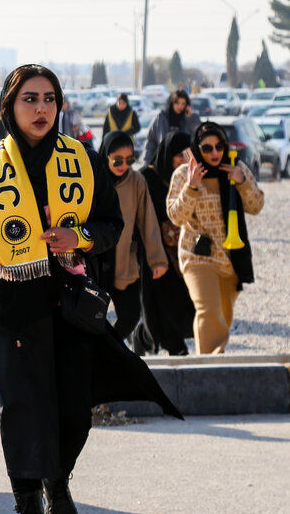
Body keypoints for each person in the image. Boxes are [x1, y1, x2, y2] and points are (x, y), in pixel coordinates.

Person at [0, 64, 181, 514]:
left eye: (49, 98)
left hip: (69, 306)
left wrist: (79, 238)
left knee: (72, 411)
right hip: (10, 309)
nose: (41, 108)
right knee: (23, 413)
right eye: (29, 99)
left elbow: (111, 223)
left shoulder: (81, 159)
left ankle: (57, 481)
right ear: (7, 108)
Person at [166, 122, 263, 354]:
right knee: (208, 310)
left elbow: (256, 205)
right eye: (207, 148)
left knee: (223, 318)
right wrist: (192, 187)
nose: (215, 153)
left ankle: (214, 363)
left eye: (219, 146)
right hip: (196, 254)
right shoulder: (185, 173)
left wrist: (242, 182)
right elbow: (176, 216)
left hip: (230, 257)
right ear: (198, 148)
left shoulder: (235, 168)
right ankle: (207, 365)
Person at [96, 131, 168, 343]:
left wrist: (157, 260)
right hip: (96, 261)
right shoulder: (93, 179)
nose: (124, 165)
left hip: (124, 261)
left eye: (130, 160)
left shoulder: (137, 181)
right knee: (92, 317)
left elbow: (148, 221)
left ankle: (110, 350)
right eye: (118, 160)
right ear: (106, 155)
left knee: (130, 315)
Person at [131, 132, 193, 356]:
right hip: (151, 251)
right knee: (159, 301)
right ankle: (175, 346)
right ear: (167, 154)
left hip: (180, 250)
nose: (184, 161)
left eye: (188, 155)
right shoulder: (146, 177)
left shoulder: (189, 178)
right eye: (179, 155)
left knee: (181, 300)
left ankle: (143, 337)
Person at [144, 90, 200, 165]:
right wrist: (148, 163)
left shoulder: (188, 119)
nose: (180, 106)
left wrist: (191, 118)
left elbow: (197, 136)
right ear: (172, 103)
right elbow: (151, 141)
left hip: (183, 163)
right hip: (163, 162)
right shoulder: (161, 118)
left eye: (183, 104)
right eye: (177, 103)